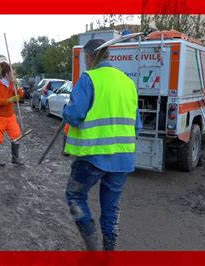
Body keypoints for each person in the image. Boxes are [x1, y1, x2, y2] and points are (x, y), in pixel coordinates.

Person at [63, 39, 142, 251]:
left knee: (74, 195)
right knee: (111, 207)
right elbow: (137, 125)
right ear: (108, 55)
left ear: (89, 57)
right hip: (122, 159)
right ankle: (108, 252)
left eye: (85, 59)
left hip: (93, 156)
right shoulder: (128, 82)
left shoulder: (89, 79)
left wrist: (66, 109)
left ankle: (93, 250)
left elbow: (74, 115)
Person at [0, 62, 24, 167]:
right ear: (6, 74)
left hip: (10, 116)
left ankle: (15, 158)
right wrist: (11, 99)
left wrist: (17, 86)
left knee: (17, 136)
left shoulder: (12, 85)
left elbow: (21, 95)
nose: (15, 76)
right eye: (13, 74)